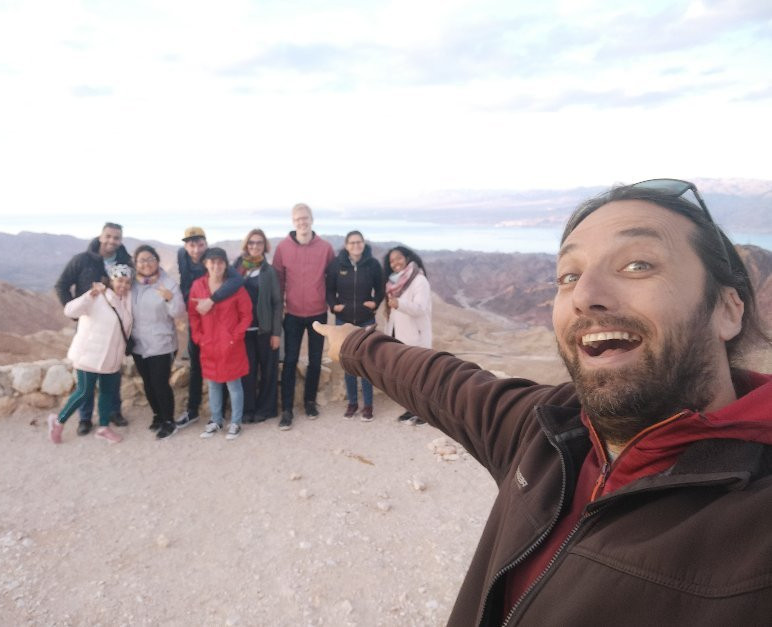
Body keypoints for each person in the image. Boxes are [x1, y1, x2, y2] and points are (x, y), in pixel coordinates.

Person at [315, 178, 772, 626]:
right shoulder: (550, 430)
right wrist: (352, 345)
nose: (586, 296)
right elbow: (445, 383)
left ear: (728, 309)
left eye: (637, 265)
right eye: (569, 276)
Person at [54, 222, 132, 433]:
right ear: (100, 236)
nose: (111, 241)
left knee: (112, 373)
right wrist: (76, 315)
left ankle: (113, 412)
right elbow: (61, 285)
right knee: (87, 376)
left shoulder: (126, 262)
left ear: (121, 240)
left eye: (116, 238)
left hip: (114, 328)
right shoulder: (83, 260)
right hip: (90, 324)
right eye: (108, 236)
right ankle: (85, 419)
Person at [48, 264, 134, 445]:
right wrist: (89, 295)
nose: (123, 285)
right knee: (84, 391)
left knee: (107, 392)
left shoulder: (126, 301)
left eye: (127, 282)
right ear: (111, 280)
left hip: (111, 359)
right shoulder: (97, 297)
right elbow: (70, 311)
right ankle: (58, 421)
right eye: (120, 280)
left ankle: (103, 427)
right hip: (89, 356)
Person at [272, 203, 335, 430]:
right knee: (289, 361)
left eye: (305, 218)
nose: (302, 222)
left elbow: (332, 277)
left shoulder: (325, 248)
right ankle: (287, 409)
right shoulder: (282, 248)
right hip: (293, 313)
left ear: (312, 219)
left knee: (316, 359)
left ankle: (309, 402)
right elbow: (278, 281)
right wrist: (281, 308)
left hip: (318, 311)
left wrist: (331, 304)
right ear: (293, 221)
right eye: (298, 219)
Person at [175, 227, 244, 430]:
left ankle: (221, 414)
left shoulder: (214, 259)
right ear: (185, 246)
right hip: (198, 320)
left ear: (206, 244)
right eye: (191, 245)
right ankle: (193, 410)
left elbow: (237, 280)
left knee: (223, 365)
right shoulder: (181, 255)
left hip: (218, 322)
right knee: (197, 366)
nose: (196, 250)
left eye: (200, 244)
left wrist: (211, 300)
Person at [188, 248, 252, 441]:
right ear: (206, 264)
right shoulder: (198, 286)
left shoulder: (235, 288)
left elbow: (246, 314)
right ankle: (216, 420)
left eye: (220, 262)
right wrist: (199, 337)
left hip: (231, 345)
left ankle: (236, 422)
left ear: (226, 265)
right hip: (209, 344)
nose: (216, 266)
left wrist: (236, 336)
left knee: (234, 384)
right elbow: (193, 314)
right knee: (213, 384)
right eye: (212, 262)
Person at [325, 230, 384, 420]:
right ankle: (352, 403)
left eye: (359, 242)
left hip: (366, 321)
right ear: (346, 245)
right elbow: (329, 289)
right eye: (352, 243)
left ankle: (368, 405)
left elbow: (381, 287)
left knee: (366, 363)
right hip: (344, 321)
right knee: (348, 363)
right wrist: (334, 307)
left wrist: (375, 302)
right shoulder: (337, 264)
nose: (356, 245)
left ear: (364, 243)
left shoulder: (373, 264)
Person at [130, 244, 185, 439]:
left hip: (162, 342)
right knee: (148, 383)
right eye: (142, 260)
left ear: (157, 261)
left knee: (160, 383)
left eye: (150, 259)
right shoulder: (132, 284)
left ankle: (169, 420)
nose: (146, 264)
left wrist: (170, 299)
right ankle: (157, 415)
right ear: (135, 264)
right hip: (138, 343)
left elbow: (179, 312)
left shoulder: (167, 283)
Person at [232, 229, 282, 422]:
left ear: (265, 246)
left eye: (259, 243)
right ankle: (247, 409)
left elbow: (277, 303)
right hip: (243, 330)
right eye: (251, 242)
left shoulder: (269, 271)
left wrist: (276, 333)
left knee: (268, 371)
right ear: (246, 244)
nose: (255, 246)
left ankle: (266, 409)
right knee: (247, 372)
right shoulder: (237, 268)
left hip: (265, 329)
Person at [382, 245, 432, 425]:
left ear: (407, 257)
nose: (395, 263)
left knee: (419, 377)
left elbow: (419, 308)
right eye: (392, 261)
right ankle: (411, 409)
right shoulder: (393, 284)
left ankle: (424, 413)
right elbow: (392, 314)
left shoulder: (419, 280)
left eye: (399, 258)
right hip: (399, 337)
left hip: (415, 337)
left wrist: (399, 304)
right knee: (405, 377)